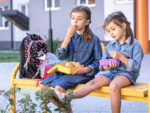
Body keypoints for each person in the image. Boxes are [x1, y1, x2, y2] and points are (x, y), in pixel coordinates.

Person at [51, 11, 144, 113]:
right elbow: (101, 63)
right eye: (109, 31)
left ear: (123, 26)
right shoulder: (111, 45)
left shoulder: (135, 45)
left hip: (126, 74)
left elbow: (136, 67)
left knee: (114, 86)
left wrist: (122, 58)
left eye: (113, 29)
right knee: (92, 83)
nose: (111, 33)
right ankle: (64, 97)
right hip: (110, 72)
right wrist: (106, 66)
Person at [40, 5, 102, 110]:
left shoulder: (94, 39)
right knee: (43, 87)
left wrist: (86, 69)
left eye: (79, 18)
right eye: (73, 18)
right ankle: (67, 111)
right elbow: (60, 56)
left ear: (87, 22)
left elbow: (99, 62)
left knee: (58, 88)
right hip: (66, 71)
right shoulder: (70, 36)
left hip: (84, 74)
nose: (75, 21)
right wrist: (67, 37)